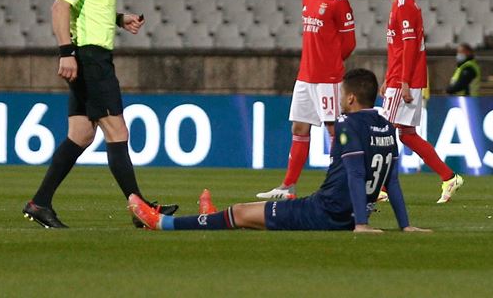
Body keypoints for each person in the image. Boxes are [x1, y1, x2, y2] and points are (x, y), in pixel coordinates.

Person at [22, 0, 177, 228]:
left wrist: (119, 19)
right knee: (118, 131)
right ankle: (140, 210)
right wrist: (66, 52)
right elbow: (60, 6)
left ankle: (40, 203)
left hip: (91, 55)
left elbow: (85, 7)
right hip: (90, 58)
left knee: (80, 135)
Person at [129, 69, 430, 233]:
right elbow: (391, 181)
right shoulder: (386, 125)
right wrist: (405, 225)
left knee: (240, 212)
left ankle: (164, 223)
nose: (338, 99)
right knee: (250, 216)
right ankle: (212, 219)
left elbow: (354, 174)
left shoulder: (347, 125)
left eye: (341, 94)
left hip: (323, 213)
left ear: (351, 98)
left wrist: (361, 225)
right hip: (344, 215)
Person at [256, 0, 356, 199]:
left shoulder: (338, 2)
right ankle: (288, 187)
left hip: (328, 79)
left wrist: (330, 63)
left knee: (334, 130)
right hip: (305, 76)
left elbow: (349, 43)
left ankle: (343, 184)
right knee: (299, 127)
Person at [380, 0, 464, 204]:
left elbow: (409, 46)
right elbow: (398, 49)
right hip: (399, 78)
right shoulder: (402, 5)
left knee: (384, 132)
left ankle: (381, 188)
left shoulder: (404, 7)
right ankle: (449, 177)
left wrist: (403, 81)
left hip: (404, 80)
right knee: (406, 134)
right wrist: (388, 78)